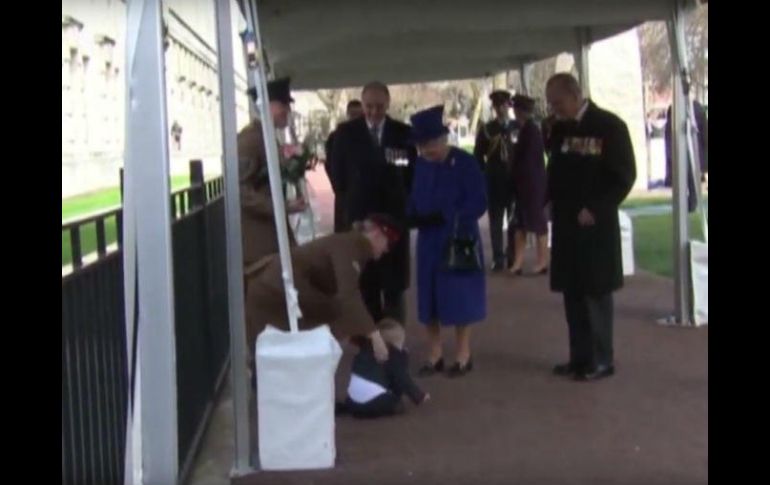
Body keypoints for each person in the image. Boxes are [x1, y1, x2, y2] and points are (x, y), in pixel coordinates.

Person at [545, 73, 636, 382]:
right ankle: (579, 358)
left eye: (558, 103)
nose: (555, 109)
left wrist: (596, 207)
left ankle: (601, 359)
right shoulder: (560, 129)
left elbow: (624, 176)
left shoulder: (609, 126)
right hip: (566, 224)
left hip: (594, 226)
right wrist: (548, 200)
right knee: (573, 293)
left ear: (575, 95)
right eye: (551, 104)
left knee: (595, 294)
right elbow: (555, 169)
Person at [244, 214, 403, 364]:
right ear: (377, 234)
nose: (387, 250)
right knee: (270, 359)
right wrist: (374, 336)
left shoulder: (352, 245)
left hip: (279, 292)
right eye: (388, 243)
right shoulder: (349, 247)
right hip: (274, 294)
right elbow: (349, 296)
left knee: (331, 315)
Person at [407, 105, 487, 378]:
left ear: (443, 138)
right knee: (429, 298)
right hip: (429, 240)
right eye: (422, 146)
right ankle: (435, 354)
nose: (427, 150)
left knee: (460, 296)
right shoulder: (420, 165)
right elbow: (413, 197)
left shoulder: (465, 163)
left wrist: (450, 215)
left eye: (431, 144)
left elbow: (479, 202)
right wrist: (412, 215)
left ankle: (463, 354)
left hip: (458, 238)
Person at [330, 81, 416, 325]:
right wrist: (352, 211)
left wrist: (402, 209)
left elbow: (412, 176)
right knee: (365, 286)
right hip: (361, 223)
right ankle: (371, 340)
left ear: (388, 104)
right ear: (362, 104)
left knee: (394, 288)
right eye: (369, 106)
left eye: (379, 106)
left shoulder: (403, 134)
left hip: (394, 223)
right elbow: (338, 178)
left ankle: (395, 340)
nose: (374, 112)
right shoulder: (345, 134)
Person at [238, 77, 307, 268]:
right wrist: (282, 206)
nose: (288, 110)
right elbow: (241, 191)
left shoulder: (265, 136)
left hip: (270, 235)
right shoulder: (250, 140)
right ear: (265, 106)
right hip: (259, 241)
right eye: (283, 105)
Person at [337, 319, 429, 419]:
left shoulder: (363, 350)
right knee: (398, 405)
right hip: (375, 401)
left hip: (353, 402)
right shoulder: (394, 355)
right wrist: (419, 396)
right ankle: (371, 409)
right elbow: (403, 378)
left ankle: (353, 407)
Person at [473, 90, 518, 271]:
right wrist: (484, 175)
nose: (500, 109)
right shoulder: (487, 129)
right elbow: (478, 156)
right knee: (496, 222)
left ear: (509, 106)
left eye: (503, 105)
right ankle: (498, 257)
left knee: (514, 222)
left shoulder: (516, 127)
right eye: (497, 106)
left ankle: (512, 256)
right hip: (494, 180)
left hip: (513, 180)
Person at [509, 94, 549, 275]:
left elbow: (529, 163)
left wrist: (518, 180)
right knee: (520, 225)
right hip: (524, 186)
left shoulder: (531, 131)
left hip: (531, 186)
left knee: (537, 224)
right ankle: (518, 262)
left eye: (516, 109)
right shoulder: (525, 130)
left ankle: (542, 261)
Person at [325, 100, 364, 232]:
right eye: (353, 114)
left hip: (365, 192)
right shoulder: (336, 136)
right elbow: (330, 165)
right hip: (345, 191)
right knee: (345, 231)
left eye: (359, 114)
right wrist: (338, 188)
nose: (356, 117)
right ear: (347, 114)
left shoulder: (369, 135)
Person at [664, 99, 708, 212]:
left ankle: (686, 204)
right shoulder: (697, 108)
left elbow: (669, 131)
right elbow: (705, 134)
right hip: (693, 151)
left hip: (684, 150)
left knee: (684, 180)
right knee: (692, 181)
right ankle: (690, 204)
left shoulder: (675, 108)